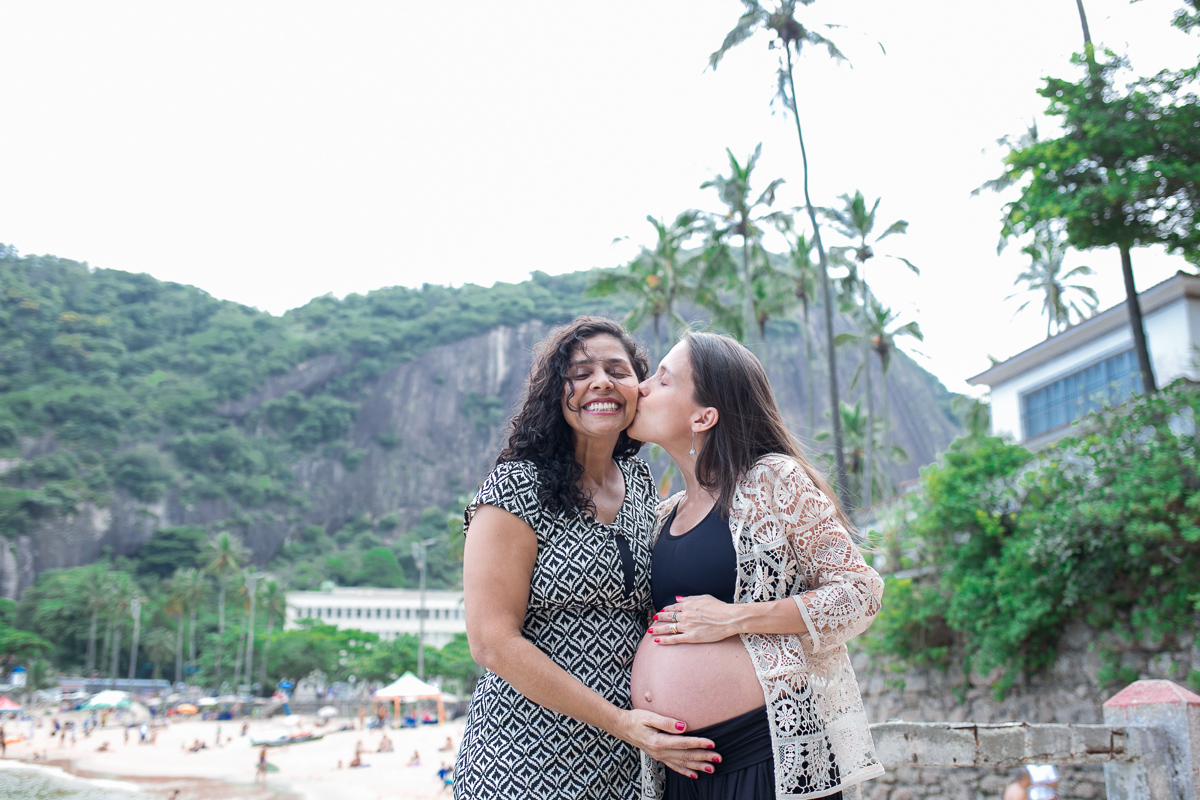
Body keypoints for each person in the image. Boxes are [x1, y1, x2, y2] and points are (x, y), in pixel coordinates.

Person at [455, 317, 720, 800]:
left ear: (638, 390)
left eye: (617, 371)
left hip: (630, 759)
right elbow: (492, 643)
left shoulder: (639, 482)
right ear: (555, 393)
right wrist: (619, 722)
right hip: (524, 754)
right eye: (580, 373)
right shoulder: (516, 487)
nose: (601, 382)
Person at [627, 331, 886, 800]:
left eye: (662, 380)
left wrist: (735, 618)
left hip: (762, 755)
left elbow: (859, 593)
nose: (641, 387)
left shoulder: (772, 479)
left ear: (704, 416)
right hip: (677, 769)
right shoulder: (664, 514)